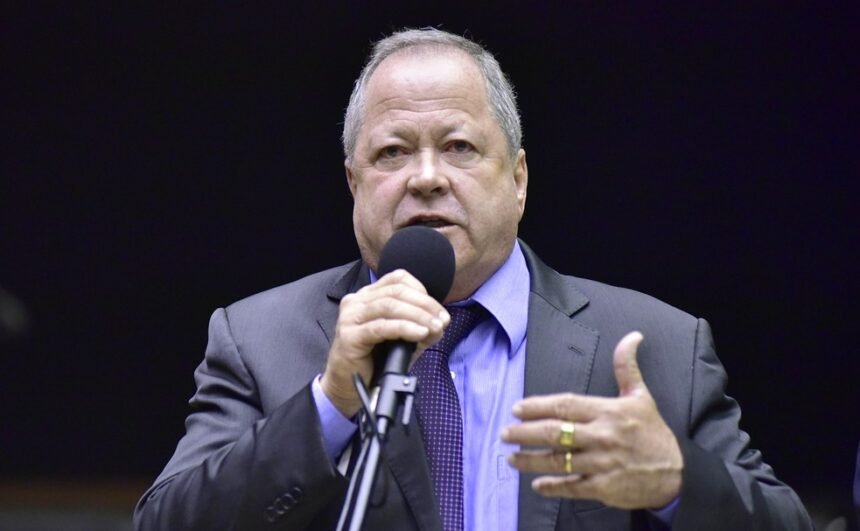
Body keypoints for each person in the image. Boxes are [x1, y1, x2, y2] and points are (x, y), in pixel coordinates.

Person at [134, 28, 812, 530]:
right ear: (354, 183)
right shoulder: (260, 338)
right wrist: (328, 403)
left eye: (459, 147)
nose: (426, 176)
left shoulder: (654, 343)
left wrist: (674, 481)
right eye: (392, 151)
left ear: (517, 179)